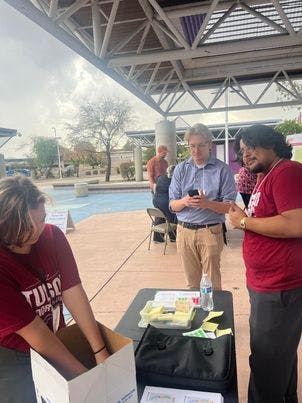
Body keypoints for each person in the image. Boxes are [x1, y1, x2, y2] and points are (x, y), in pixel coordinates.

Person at [0, 176, 109, 402]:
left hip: (53, 337)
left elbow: (72, 290)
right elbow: (36, 333)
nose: (38, 231)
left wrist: (100, 350)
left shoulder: (51, 236)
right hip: (14, 356)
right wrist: (84, 378)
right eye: (28, 227)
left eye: (41, 220)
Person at [228, 124, 302, 403]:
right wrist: (244, 218)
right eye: (243, 151)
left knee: (266, 362)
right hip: (267, 285)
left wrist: (244, 221)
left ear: (272, 143)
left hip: (280, 288)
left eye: (252, 147)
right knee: (279, 357)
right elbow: (268, 219)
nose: (246, 155)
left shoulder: (287, 172)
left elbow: (296, 223)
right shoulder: (266, 176)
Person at [169, 123, 237, 290]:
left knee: (212, 283)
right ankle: (196, 315)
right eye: (192, 146)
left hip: (210, 231)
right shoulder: (180, 169)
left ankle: (214, 314)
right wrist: (185, 201)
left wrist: (207, 203)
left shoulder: (222, 169)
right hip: (184, 231)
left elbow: (230, 207)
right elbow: (172, 205)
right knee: (192, 283)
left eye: (200, 145)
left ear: (210, 145)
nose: (196, 150)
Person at [152, 165, 177, 242]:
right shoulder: (173, 181)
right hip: (166, 203)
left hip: (156, 201)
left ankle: (158, 239)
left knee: (159, 216)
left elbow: (154, 189)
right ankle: (173, 237)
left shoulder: (160, 178)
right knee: (172, 216)